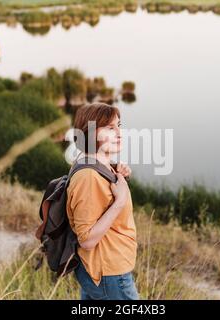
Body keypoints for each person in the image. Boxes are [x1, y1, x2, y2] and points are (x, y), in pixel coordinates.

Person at [66, 102, 139, 300]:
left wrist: (117, 172)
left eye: (119, 126)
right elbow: (87, 240)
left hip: (102, 269)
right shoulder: (89, 176)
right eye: (109, 127)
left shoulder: (95, 164)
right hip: (108, 272)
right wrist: (120, 201)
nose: (119, 133)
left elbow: (99, 200)